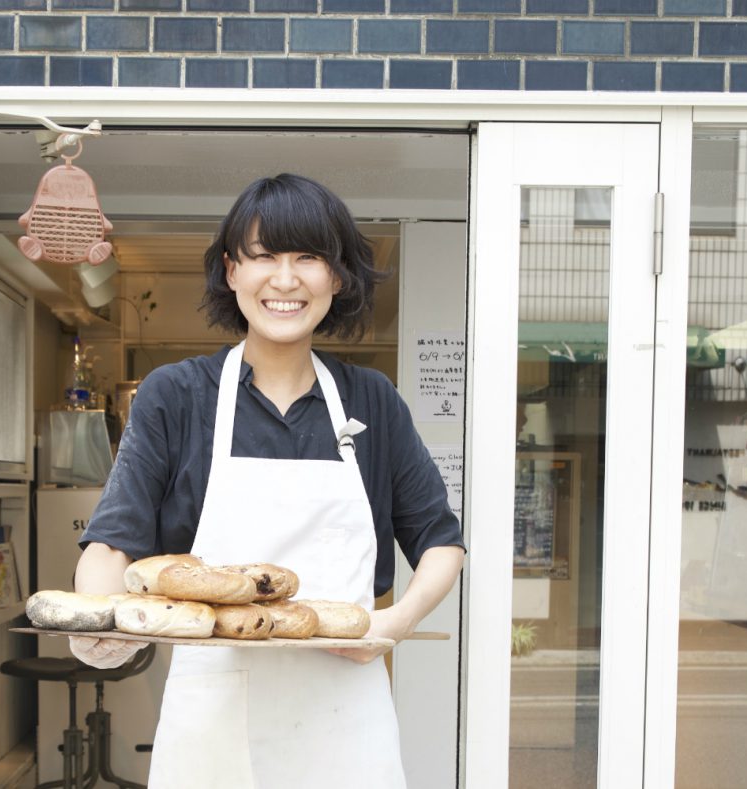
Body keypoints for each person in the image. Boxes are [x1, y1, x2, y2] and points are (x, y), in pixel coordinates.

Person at [70, 173, 465, 789]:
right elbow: (115, 539)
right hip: (213, 715)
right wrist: (97, 623)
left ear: (337, 276)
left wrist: (395, 624)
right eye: (263, 257)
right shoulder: (177, 395)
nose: (286, 280)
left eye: (309, 257)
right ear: (232, 272)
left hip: (346, 715)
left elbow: (441, 542)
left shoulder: (372, 400)